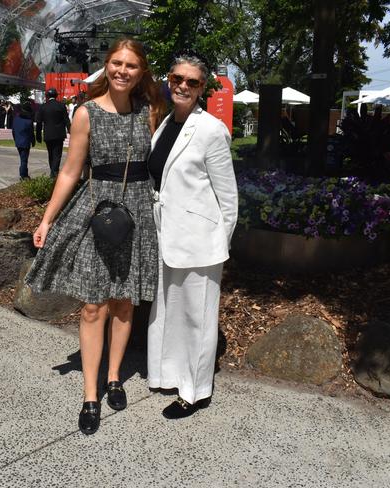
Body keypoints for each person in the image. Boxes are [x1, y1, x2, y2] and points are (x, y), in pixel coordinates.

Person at [24, 38, 164, 435]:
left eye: (131, 65)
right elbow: (70, 171)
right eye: (116, 63)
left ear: (141, 72)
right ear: (107, 67)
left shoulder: (149, 112)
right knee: (93, 306)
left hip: (137, 212)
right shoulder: (86, 113)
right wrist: (47, 219)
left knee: (123, 302)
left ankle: (115, 376)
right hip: (96, 211)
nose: (122, 70)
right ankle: (90, 394)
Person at [147, 54, 238, 419]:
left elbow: (228, 197)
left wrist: (220, 243)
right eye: (177, 78)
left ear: (203, 88)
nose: (182, 85)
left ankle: (195, 391)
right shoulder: (165, 123)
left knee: (197, 318)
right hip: (165, 234)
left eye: (193, 82)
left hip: (201, 241)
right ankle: (169, 374)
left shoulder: (212, 130)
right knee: (168, 311)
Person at [35, 87, 70, 177]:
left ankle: (53, 171)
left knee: (50, 154)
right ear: (56, 96)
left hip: (48, 134)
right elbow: (67, 120)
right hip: (59, 134)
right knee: (57, 154)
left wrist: (38, 136)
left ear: (47, 96)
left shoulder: (43, 107)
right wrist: (70, 131)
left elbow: (39, 122)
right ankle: (54, 172)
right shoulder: (61, 106)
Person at [12, 102, 36, 180]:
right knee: (24, 160)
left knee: (22, 158)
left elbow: (13, 131)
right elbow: (31, 133)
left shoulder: (16, 119)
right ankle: (23, 175)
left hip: (18, 141)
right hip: (25, 143)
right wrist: (33, 141)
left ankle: (24, 173)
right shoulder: (29, 122)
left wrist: (15, 139)